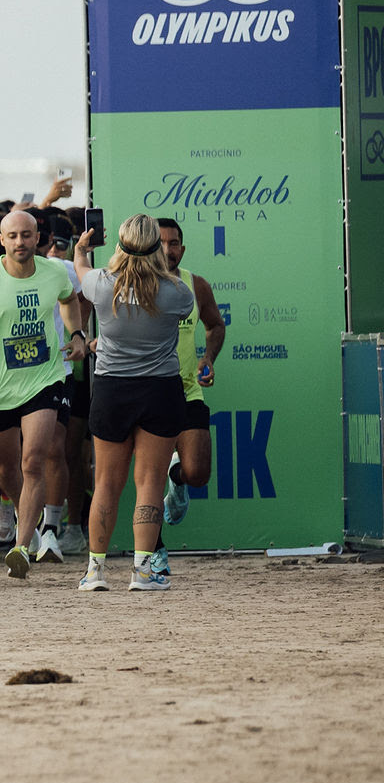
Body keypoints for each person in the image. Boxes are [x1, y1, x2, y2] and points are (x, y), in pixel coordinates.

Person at [0, 209, 82, 578]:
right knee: (7, 469)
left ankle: (22, 547)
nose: (20, 243)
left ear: (36, 236)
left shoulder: (55, 272)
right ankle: (21, 508)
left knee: (34, 461)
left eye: (27, 235)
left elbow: (70, 300)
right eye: (12, 236)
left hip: (45, 378)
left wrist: (75, 335)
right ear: (2, 238)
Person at [73, 215, 196, 593]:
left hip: (112, 390)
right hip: (160, 390)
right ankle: (142, 572)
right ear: (159, 247)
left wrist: (81, 248)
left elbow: (81, 268)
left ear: (120, 245)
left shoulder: (100, 284)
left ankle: (95, 572)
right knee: (150, 483)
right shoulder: (178, 292)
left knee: (106, 483)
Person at [155, 217, 225, 575]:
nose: (168, 249)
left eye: (175, 243)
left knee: (198, 472)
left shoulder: (196, 285)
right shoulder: (136, 284)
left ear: (183, 247)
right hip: (147, 394)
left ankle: (177, 478)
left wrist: (207, 357)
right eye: (162, 242)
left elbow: (215, 325)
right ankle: (155, 551)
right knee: (146, 482)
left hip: (186, 389)